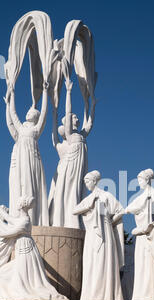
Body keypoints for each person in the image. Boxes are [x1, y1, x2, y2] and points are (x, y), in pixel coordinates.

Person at [49, 79, 95, 229]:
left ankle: (75, 218)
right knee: (68, 190)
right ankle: (67, 219)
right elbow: (68, 111)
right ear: (68, 121)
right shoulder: (69, 135)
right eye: (74, 117)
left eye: (76, 116)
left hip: (80, 165)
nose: (77, 118)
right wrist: (68, 92)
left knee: (77, 189)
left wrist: (90, 105)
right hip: (70, 164)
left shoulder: (81, 134)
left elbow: (89, 125)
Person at [0, 196, 67, 300]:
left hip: (26, 251)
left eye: (19, 202)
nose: (17, 204)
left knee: (22, 275)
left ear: (21, 205)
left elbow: (7, 232)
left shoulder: (24, 222)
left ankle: (24, 290)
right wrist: (2, 213)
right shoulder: (23, 219)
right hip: (24, 249)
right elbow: (10, 220)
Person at [73, 170, 125, 300]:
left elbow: (121, 210)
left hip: (106, 234)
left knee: (104, 261)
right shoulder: (89, 199)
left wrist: (110, 222)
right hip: (92, 235)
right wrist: (90, 205)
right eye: (84, 182)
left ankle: (106, 294)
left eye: (88, 181)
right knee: (92, 263)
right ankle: (91, 295)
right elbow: (75, 210)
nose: (86, 185)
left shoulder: (106, 195)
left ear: (94, 181)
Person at [5, 84, 49, 226]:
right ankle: (19, 215)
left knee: (31, 185)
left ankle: (32, 218)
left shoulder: (36, 129)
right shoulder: (21, 129)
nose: (28, 113)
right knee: (19, 184)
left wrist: (45, 92)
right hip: (20, 160)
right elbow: (13, 117)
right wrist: (11, 97)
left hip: (31, 161)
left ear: (35, 117)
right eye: (29, 112)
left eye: (31, 113)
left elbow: (44, 113)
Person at [125, 169, 154, 300]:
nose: (139, 182)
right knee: (142, 265)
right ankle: (141, 294)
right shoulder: (139, 198)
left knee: (152, 263)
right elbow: (128, 209)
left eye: (140, 179)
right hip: (141, 237)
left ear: (147, 180)